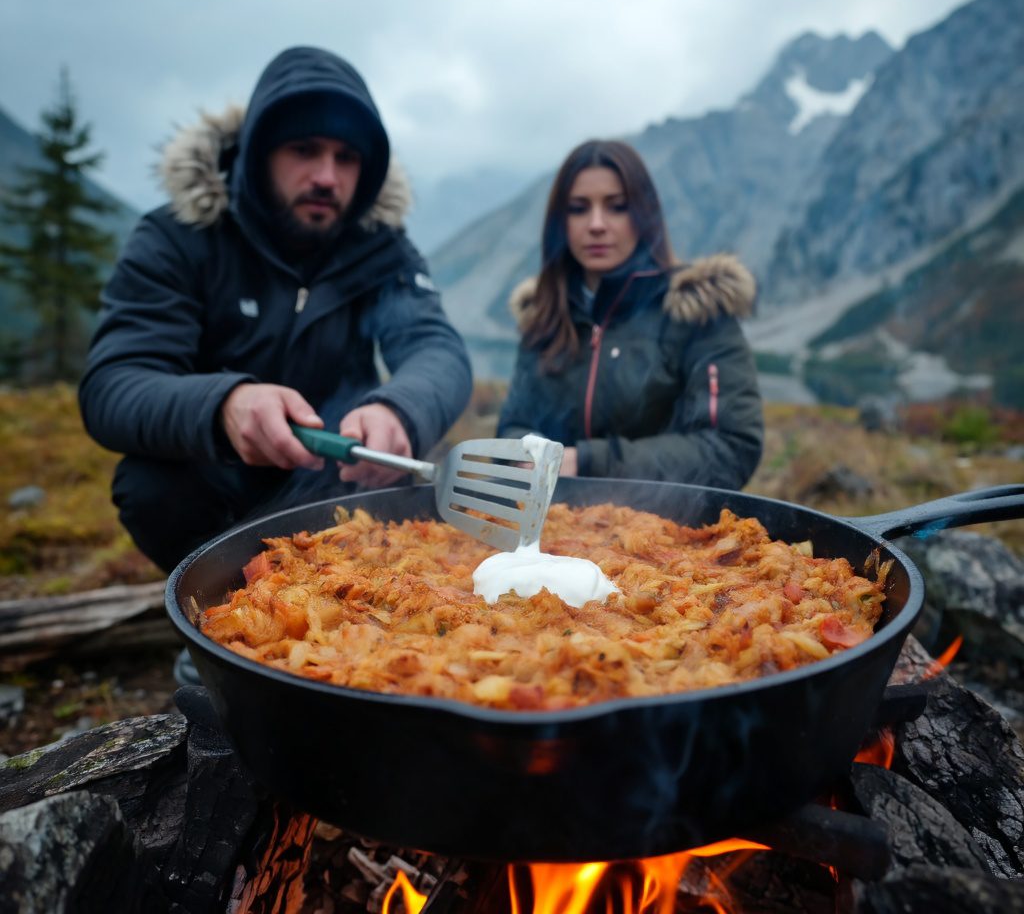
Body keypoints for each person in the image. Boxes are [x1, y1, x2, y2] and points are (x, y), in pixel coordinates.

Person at [79, 46, 473, 583]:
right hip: (219, 482)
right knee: (149, 484)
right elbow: (114, 385)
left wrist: (399, 410)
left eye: (346, 157)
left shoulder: (381, 248)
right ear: (258, 153)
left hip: (341, 477)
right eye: (304, 149)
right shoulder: (181, 237)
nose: (327, 177)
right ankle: (225, 605)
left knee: (406, 487)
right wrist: (224, 404)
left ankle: (356, 603)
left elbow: (437, 348)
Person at [497, 139, 763, 486]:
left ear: (643, 215)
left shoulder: (697, 310)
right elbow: (513, 426)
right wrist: (527, 455)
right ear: (560, 223)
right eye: (578, 208)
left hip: (670, 519)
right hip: (550, 517)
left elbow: (731, 448)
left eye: (617, 207)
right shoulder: (544, 314)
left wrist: (588, 463)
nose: (596, 224)